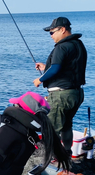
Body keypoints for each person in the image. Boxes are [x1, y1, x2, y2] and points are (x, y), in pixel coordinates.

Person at [33, 17, 87, 155]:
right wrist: (46, 67)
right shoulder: (78, 45)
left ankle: (49, 159)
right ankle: (67, 153)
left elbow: (56, 68)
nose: (51, 36)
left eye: (52, 32)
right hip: (76, 94)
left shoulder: (61, 47)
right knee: (66, 125)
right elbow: (69, 68)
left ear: (62, 30)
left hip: (61, 96)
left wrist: (40, 78)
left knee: (51, 129)